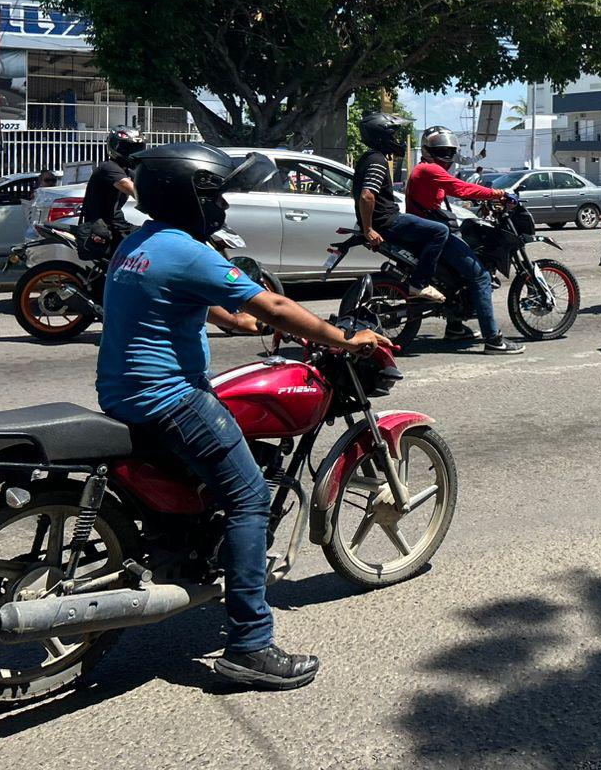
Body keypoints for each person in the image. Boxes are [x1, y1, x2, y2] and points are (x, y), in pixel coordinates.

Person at [97, 142, 391, 690]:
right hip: (168, 397)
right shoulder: (189, 250)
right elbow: (276, 305)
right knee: (250, 496)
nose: (223, 207)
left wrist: (238, 325)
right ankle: (250, 646)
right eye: (214, 195)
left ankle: (180, 550)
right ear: (189, 198)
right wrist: (346, 339)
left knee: (212, 476)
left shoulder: (138, 244)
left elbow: (193, 299)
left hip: (121, 392)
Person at [404, 127, 523, 355]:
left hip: (427, 229)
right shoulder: (429, 170)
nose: (447, 156)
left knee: (459, 275)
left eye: (449, 151)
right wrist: (499, 194)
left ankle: (455, 326)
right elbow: (462, 189)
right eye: (442, 151)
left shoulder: (426, 168)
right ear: (429, 151)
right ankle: (493, 339)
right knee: (479, 275)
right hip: (432, 233)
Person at [353, 112, 447, 305]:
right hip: (388, 221)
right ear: (382, 136)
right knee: (440, 231)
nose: (396, 140)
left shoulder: (366, 158)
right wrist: (369, 229)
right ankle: (420, 283)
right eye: (393, 135)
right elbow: (367, 195)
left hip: (384, 220)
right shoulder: (377, 161)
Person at [80, 126, 146, 236]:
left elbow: (146, 185)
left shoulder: (128, 172)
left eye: (137, 148)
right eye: (129, 149)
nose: (134, 153)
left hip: (116, 224)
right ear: (115, 148)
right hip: (99, 228)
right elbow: (135, 190)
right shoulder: (108, 168)